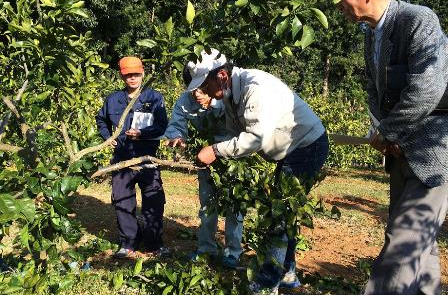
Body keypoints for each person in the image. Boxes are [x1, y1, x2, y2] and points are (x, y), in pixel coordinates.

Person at [337, 0, 448, 294]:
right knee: (418, 245)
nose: (338, 6)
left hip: (432, 155)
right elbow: (375, 92)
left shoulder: (418, 19)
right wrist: (384, 131)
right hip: (400, 154)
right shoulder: (372, 37)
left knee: (402, 248)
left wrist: (389, 132)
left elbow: (428, 87)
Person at [191, 49, 329, 295]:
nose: (205, 92)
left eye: (206, 85)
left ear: (221, 75)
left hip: (306, 146)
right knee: (286, 213)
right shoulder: (231, 93)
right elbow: (236, 133)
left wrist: (214, 150)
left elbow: (254, 138)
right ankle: (287, 274)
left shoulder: (255, 88)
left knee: (281, 214)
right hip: (291, 149)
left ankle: (266, 285)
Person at [164, 59, 243, 269]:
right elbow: (176, 125)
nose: (198, 94)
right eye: (194, 90)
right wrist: (177, 138)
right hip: (205, 160)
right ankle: (206, 248)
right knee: (207, 205)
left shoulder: (227, 99)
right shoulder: (184, 101)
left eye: (202, 89)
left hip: (232, 158)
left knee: (234, 206)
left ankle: (233, 252)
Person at [96, 56, 168, 258]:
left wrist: (143, 133)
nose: (133, 78)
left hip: (147, 158)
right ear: (122, 76)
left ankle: (154, 243)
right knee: (122, 200)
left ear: (143, 73)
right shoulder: (112, 100)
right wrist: (107, 136)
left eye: (136, 74)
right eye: (128, 75)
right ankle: (128, 242)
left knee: (154, 199)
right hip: (122, 158)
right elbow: (101, 119)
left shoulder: (154, 97)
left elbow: (162, 125)